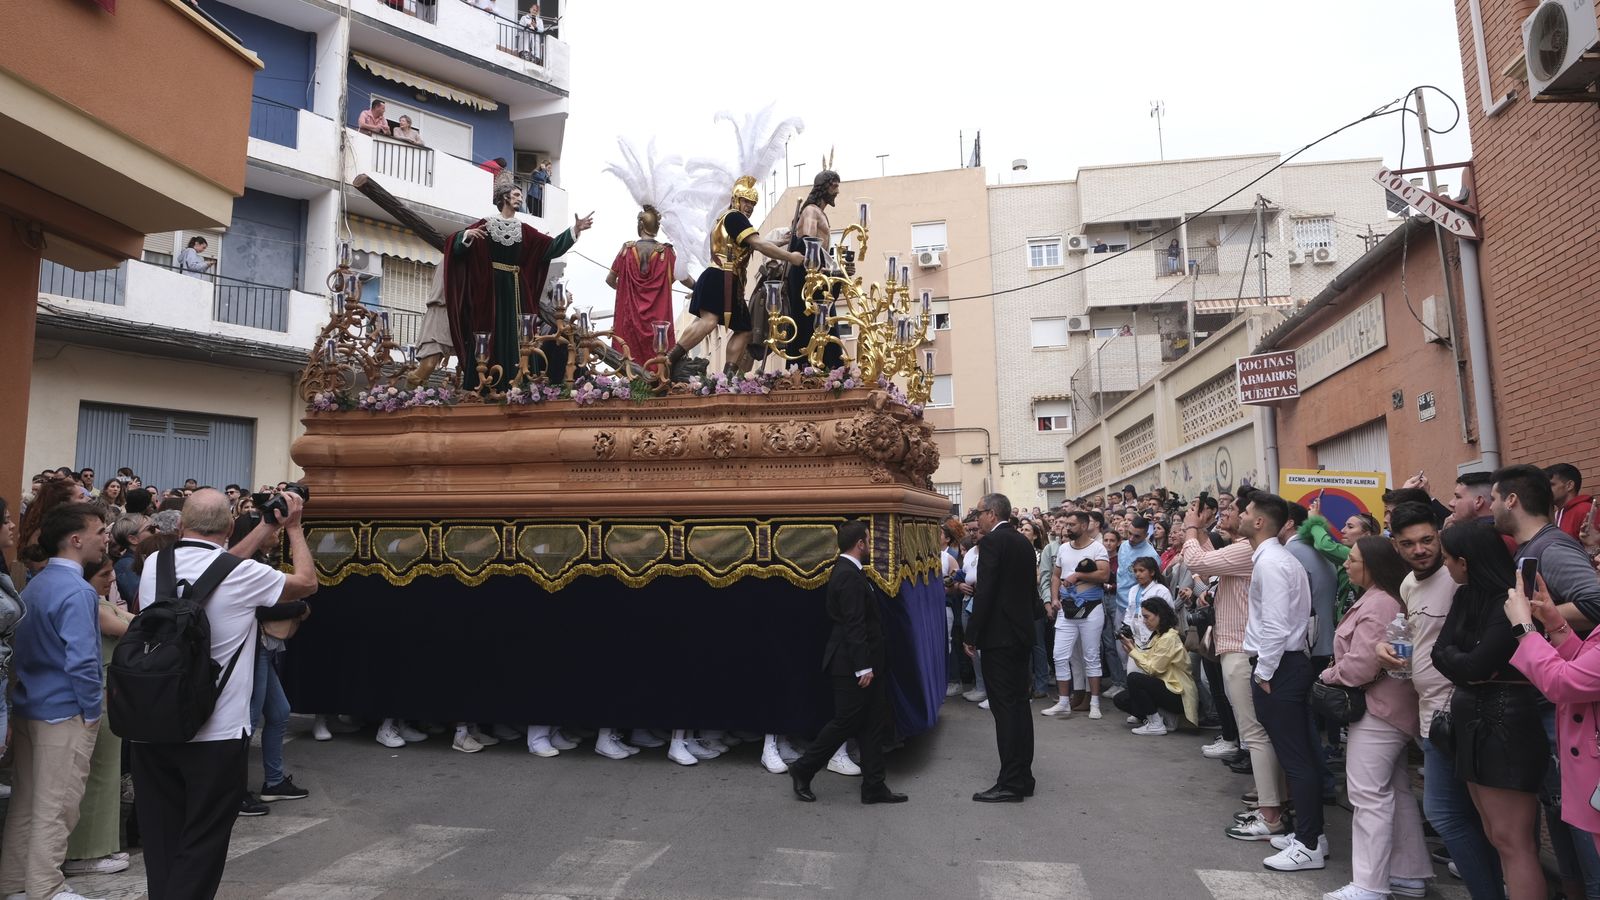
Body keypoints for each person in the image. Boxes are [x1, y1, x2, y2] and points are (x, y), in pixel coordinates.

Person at [131, 489, 317, 900]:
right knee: (203, 842)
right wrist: (294, 529)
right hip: (216, 732)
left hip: (152, 723)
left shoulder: (153, 565)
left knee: (162, 842)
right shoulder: (242, 574)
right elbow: (306, 583)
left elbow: (223, 561)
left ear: (180, 525)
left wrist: (266, 526)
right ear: (231, 526)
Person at [1433, 522, 1549, 900]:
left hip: (1505, 722)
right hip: (1474, 718)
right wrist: (1465, 664)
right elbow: (1442, 654)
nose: (1445, 566)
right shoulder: (1466, 597)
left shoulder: (1508, 599)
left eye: (1448, 559)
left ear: (1464, 562)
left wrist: (1465, 664)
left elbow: (1474, 666)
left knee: (1513, 841)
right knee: (1496, 835)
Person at [0, 503, 108, 900]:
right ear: (76, 540)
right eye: (99, 530)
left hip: (30, 705)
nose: (105, 536)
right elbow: (82, 661)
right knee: (57, 803)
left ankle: (14, 884)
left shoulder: (36, 583)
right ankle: (46, 887)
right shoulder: (78, 590)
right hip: (64, 711)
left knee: (27, 802)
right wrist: (93, 710)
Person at [1318, 536, 1431, 900]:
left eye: (1352, 559)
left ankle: (1369, 884)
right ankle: (1408, 873)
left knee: (1368, 796)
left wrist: (1327, 676)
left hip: (1378, 710)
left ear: (1372, 565)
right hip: (1391, 709)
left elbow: (1360, 666)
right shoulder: (1383, 599)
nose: (1346, 564)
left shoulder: (1379, 604)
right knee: (1395, 792)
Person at [1234, 492, 1324, 872]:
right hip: (1287, 663)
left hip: (1281, 667)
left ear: (1259, 522)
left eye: (1246, 511)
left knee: (1295, 757)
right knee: (1298, 755)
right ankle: (1310, 833)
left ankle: (1308, 844)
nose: (1239, 514)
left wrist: (1264, 672)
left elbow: (1274, 625)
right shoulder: (1276, 558)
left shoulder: (1272, 562)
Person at [788, 521, 907, 805]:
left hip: (863, 663)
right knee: (846, 722)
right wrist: (862, 666)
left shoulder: (849, 572)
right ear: (860, 544)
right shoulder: (847, 575)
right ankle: (803, 768)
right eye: (868, 539)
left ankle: (874, 786)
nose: (870, 544)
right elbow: (854, 624)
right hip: (852, 665)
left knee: (872, 724)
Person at [442, 178, 593, 390]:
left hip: (516, 288)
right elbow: (454, 246)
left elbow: (550, 248)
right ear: (504, 198)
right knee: (488, 329)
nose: (520, 198)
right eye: (516, 195)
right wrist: (465, 235)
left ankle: (519, 381)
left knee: (519, 334)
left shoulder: (524, 230)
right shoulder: (486, 224)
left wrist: (574, 230)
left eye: (519, 195)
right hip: (490, 289)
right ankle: (485, 384)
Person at [664, 176, 804, 382]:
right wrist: (790, 256)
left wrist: (781, 241)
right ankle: (670, 359)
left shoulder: (731, 220)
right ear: (736, 200)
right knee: (709, 320)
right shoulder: (734, 217)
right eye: (746, 202)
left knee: (744, 331)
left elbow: (753, 243)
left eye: (753, 204)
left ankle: (727, 376)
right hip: (721, 276)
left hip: (731, 280)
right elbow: (758, 245)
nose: (749, 207)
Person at [965, 493, 1044, 803]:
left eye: (979, 512)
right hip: (1020, 634)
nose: (977, 518)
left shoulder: (993, 543)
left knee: (1006, 710)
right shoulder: (1023, 542)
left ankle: (1010, 781)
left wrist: (971, 634)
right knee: (1019, 707)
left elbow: (985, 593)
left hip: (999, 637)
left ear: (992, 513)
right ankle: (1023, 777)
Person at [64, 554, 135, 877]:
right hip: (99, 691)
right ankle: (86, 851)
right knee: (99, 774)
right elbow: (129, 627)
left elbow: (133, 619)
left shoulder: (97, 600)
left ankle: (97, 847)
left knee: (105, 773)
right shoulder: (89, 604)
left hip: (109, 689)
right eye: (105, 574)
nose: (111, 579)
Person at [607, 205, 688, 374]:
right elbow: (684, 277)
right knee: (659, 365)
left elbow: (610, 280)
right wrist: (698, 288)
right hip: (658, 325)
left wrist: (626, 291)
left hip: (630, 320)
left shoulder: (626, 250)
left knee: (630, 363)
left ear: (641, 225)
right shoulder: (666, 252)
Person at [1043, 512, 1110, 719]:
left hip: (1091, 607)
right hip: (1066, 608)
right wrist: (1054, 598)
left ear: (1084, 525)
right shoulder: (1063, 548)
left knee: (1091, 656)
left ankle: (1095, 703)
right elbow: (1055, 575)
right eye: (1066, 525)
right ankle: (1063, 702)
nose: (1067, 528)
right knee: (1059, 655)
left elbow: (1104, 575)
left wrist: (1079, 575)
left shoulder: (1097, 548)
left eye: (1072, 525)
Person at [782, 170, 845, 369]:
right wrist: (830, 271)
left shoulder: (819, 212)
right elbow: (808, 244)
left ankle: (826, 366)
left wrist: (838, 271)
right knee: (811, 323)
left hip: (820, 276)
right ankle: (811, 367)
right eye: (834, 186)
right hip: (809, 277)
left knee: (825, 324)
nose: (837, 191)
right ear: (823, 187)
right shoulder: (810, 211)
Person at [1113, 595, 1196, 735]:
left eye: (1147, 617)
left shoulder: (1169, 637)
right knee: (1121, 699)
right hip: (1166, 689)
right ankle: (1163, 718)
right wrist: (1133, 648)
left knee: (1134, 678)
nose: (1144, 622)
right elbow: (1150, 659)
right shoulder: (1159, 635)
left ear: (1160, 615)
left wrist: (1133, 652)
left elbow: (1153, 668)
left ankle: (1156, 723)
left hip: (1178, 693)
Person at [1548, 463, 1594, 542]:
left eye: (1551, 485)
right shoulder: (1556, 514)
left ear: (1569, 485)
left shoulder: (1586, 510)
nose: (1547, 489)